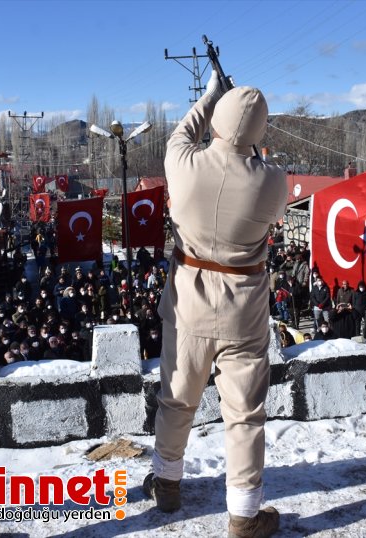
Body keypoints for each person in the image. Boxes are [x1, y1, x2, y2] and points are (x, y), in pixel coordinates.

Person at [145, 71, 286, 537]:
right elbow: (270, 204)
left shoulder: (182, 162)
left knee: (176, 398)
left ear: (216, 120)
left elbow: (183, 133)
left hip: (188, 302)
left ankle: (167, 483)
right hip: (244, 311)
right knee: (244, 414)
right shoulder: (273, 180)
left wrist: (209, 96)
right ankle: (244, 514)